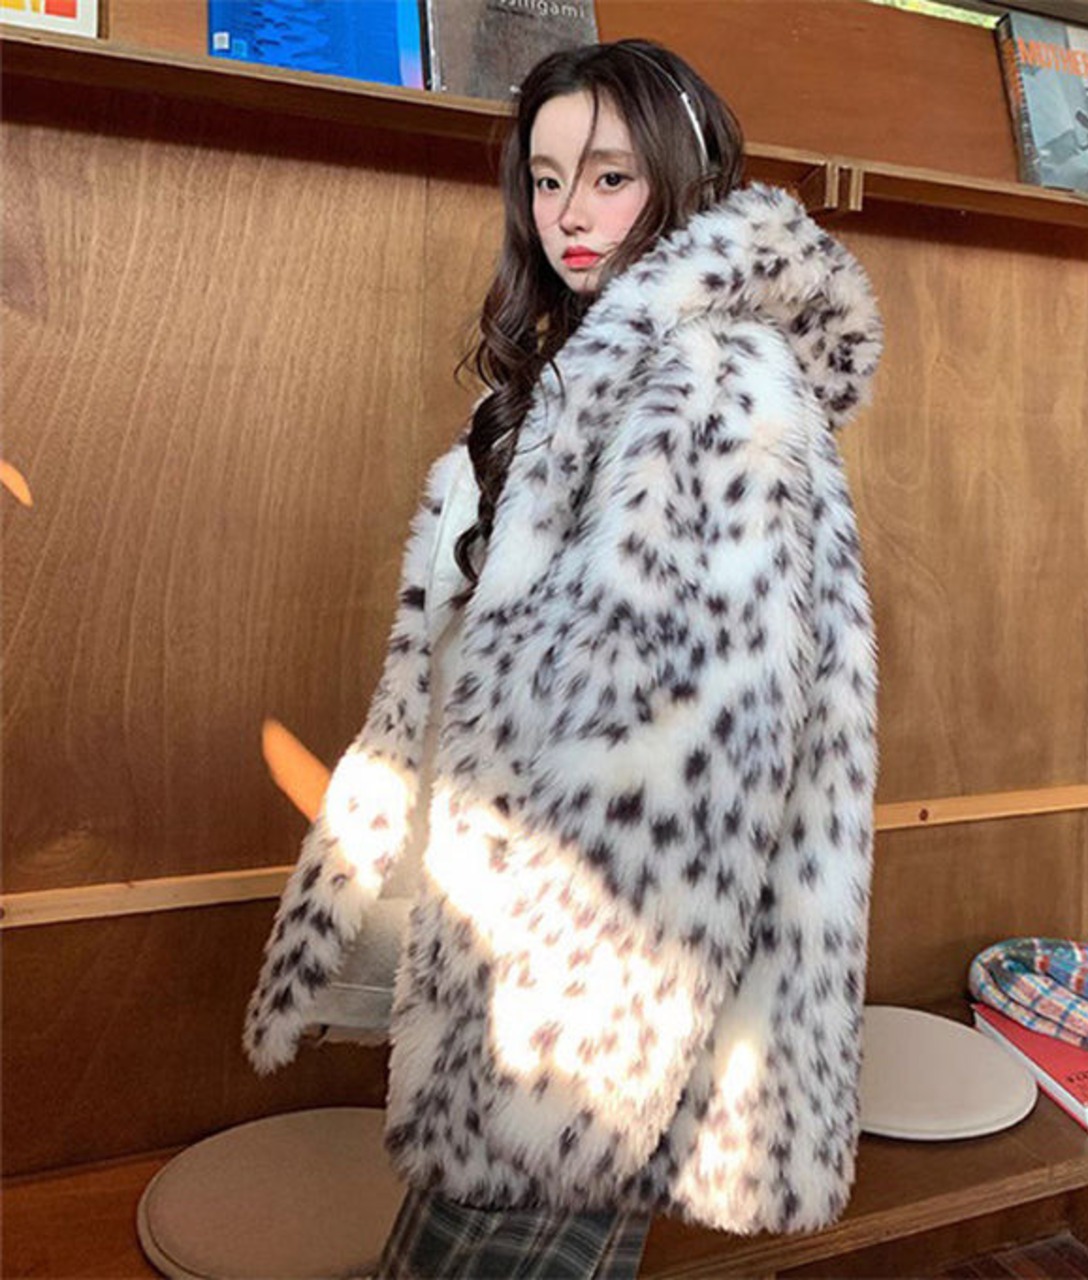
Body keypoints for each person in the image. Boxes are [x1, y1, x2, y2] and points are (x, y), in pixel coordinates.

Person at [242, 38, 883, 1279]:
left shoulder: (709, 383)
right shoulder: (589, 370)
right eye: (544, 181)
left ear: (679, 183)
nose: (566, 215)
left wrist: (566, 1040)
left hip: (583, 994)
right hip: (521, 948)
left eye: (607, 177)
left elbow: (687, 769)